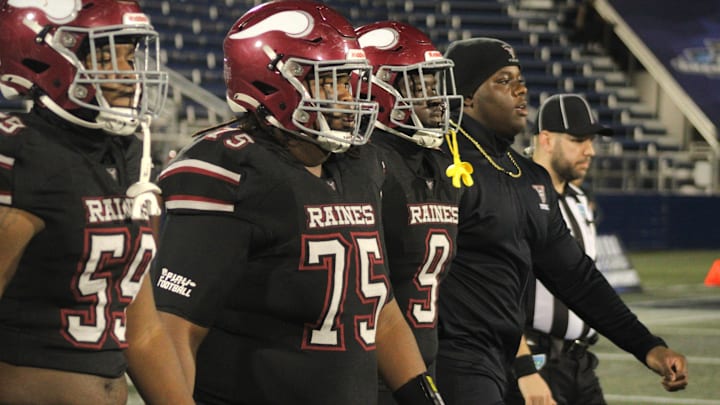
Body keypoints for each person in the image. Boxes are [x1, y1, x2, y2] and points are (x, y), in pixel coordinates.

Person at [151, 2, 443, 404]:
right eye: (327, 81)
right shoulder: (229, 166)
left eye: (350, 81)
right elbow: (174, 328)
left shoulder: (363, 165)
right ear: (270, 83)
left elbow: (380, 309)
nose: (347, 96)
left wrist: (423, 396)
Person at [434, 37, 688, 405]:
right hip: (452, 358)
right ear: (468, 96)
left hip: (502, 357)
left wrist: (647, 346)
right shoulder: (439, 166)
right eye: (503, 80)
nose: (520, 89)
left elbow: (574, 276)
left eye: (519, 78)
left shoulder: (528, 178)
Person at [0, 1, 193, 404]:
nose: (127, 71)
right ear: (44, 57)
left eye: (129, 52)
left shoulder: (126, 152)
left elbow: (141, 330)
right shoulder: (21, 152)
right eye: (104, 54)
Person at [356, 20, 464, 404]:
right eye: (418, 86)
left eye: (434, 85)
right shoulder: (366, 165)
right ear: (373, 89)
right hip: (370, 371)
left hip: (424, 363)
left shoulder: (438, 166)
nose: (435, 99)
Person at [504, 93, 614, 405]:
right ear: (547, 140)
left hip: (578, 360)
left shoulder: (579, 199)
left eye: (591, 141)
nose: (590, 151)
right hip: (536, 358)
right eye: (579, 140)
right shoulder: (515, 198)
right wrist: (524, 367)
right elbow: (497, 293)